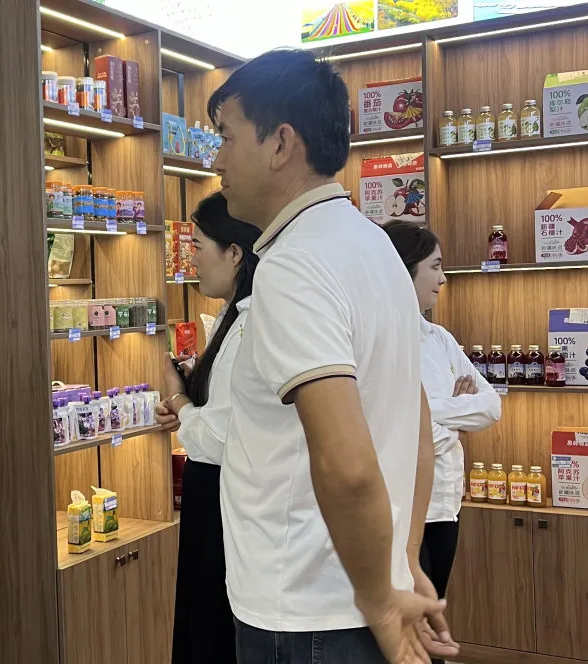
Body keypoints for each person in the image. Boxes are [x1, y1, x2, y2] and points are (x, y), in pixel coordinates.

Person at [208, 49, 460, 664]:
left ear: (280, 143)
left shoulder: (294, 264)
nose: (216, 161)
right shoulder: (372, 246)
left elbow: (346, 466)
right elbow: (416, 420)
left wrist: (381, 600)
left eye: (226, 136)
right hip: (356, 596)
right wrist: (402, 559)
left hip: (305, 613)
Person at [383, 220, 501, 663]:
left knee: (433, 620)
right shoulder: (375, 340)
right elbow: (386, 430)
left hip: (446, 504)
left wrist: (427, 417)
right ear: (404, 269)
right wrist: (453, 415)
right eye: (434, 266)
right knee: (407, 633)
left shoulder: (440, 338)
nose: (443, 278)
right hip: (398, 511)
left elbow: (490, 406)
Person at [156, 191, 261, 664]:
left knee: (210, 629)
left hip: (221, 495)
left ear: (234, 253)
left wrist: (179, 400)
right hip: (215, 496)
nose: (190, 258)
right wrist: (191, 396)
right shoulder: (229, 316)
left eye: (197, 246)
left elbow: (220, 438)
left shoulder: (248, 323)